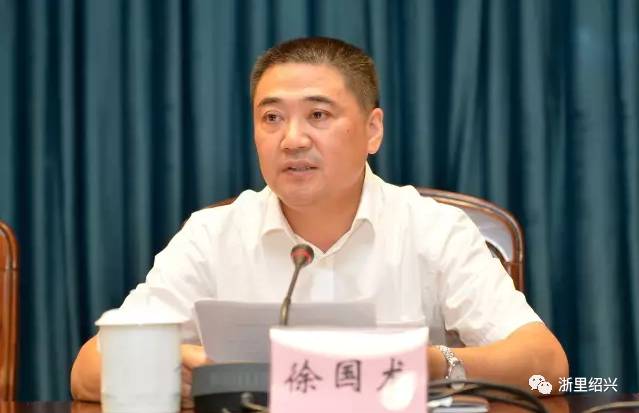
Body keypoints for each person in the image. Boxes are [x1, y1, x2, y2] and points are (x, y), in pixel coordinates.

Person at [70, 37, 568, 404]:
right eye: (271, 118)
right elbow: (87, 370)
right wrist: (171, 370)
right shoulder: (212, 235)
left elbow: (549, 368)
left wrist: (433, 364)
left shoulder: (433, 230)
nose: (292, 139)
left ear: (373, 130)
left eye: (319, 116)